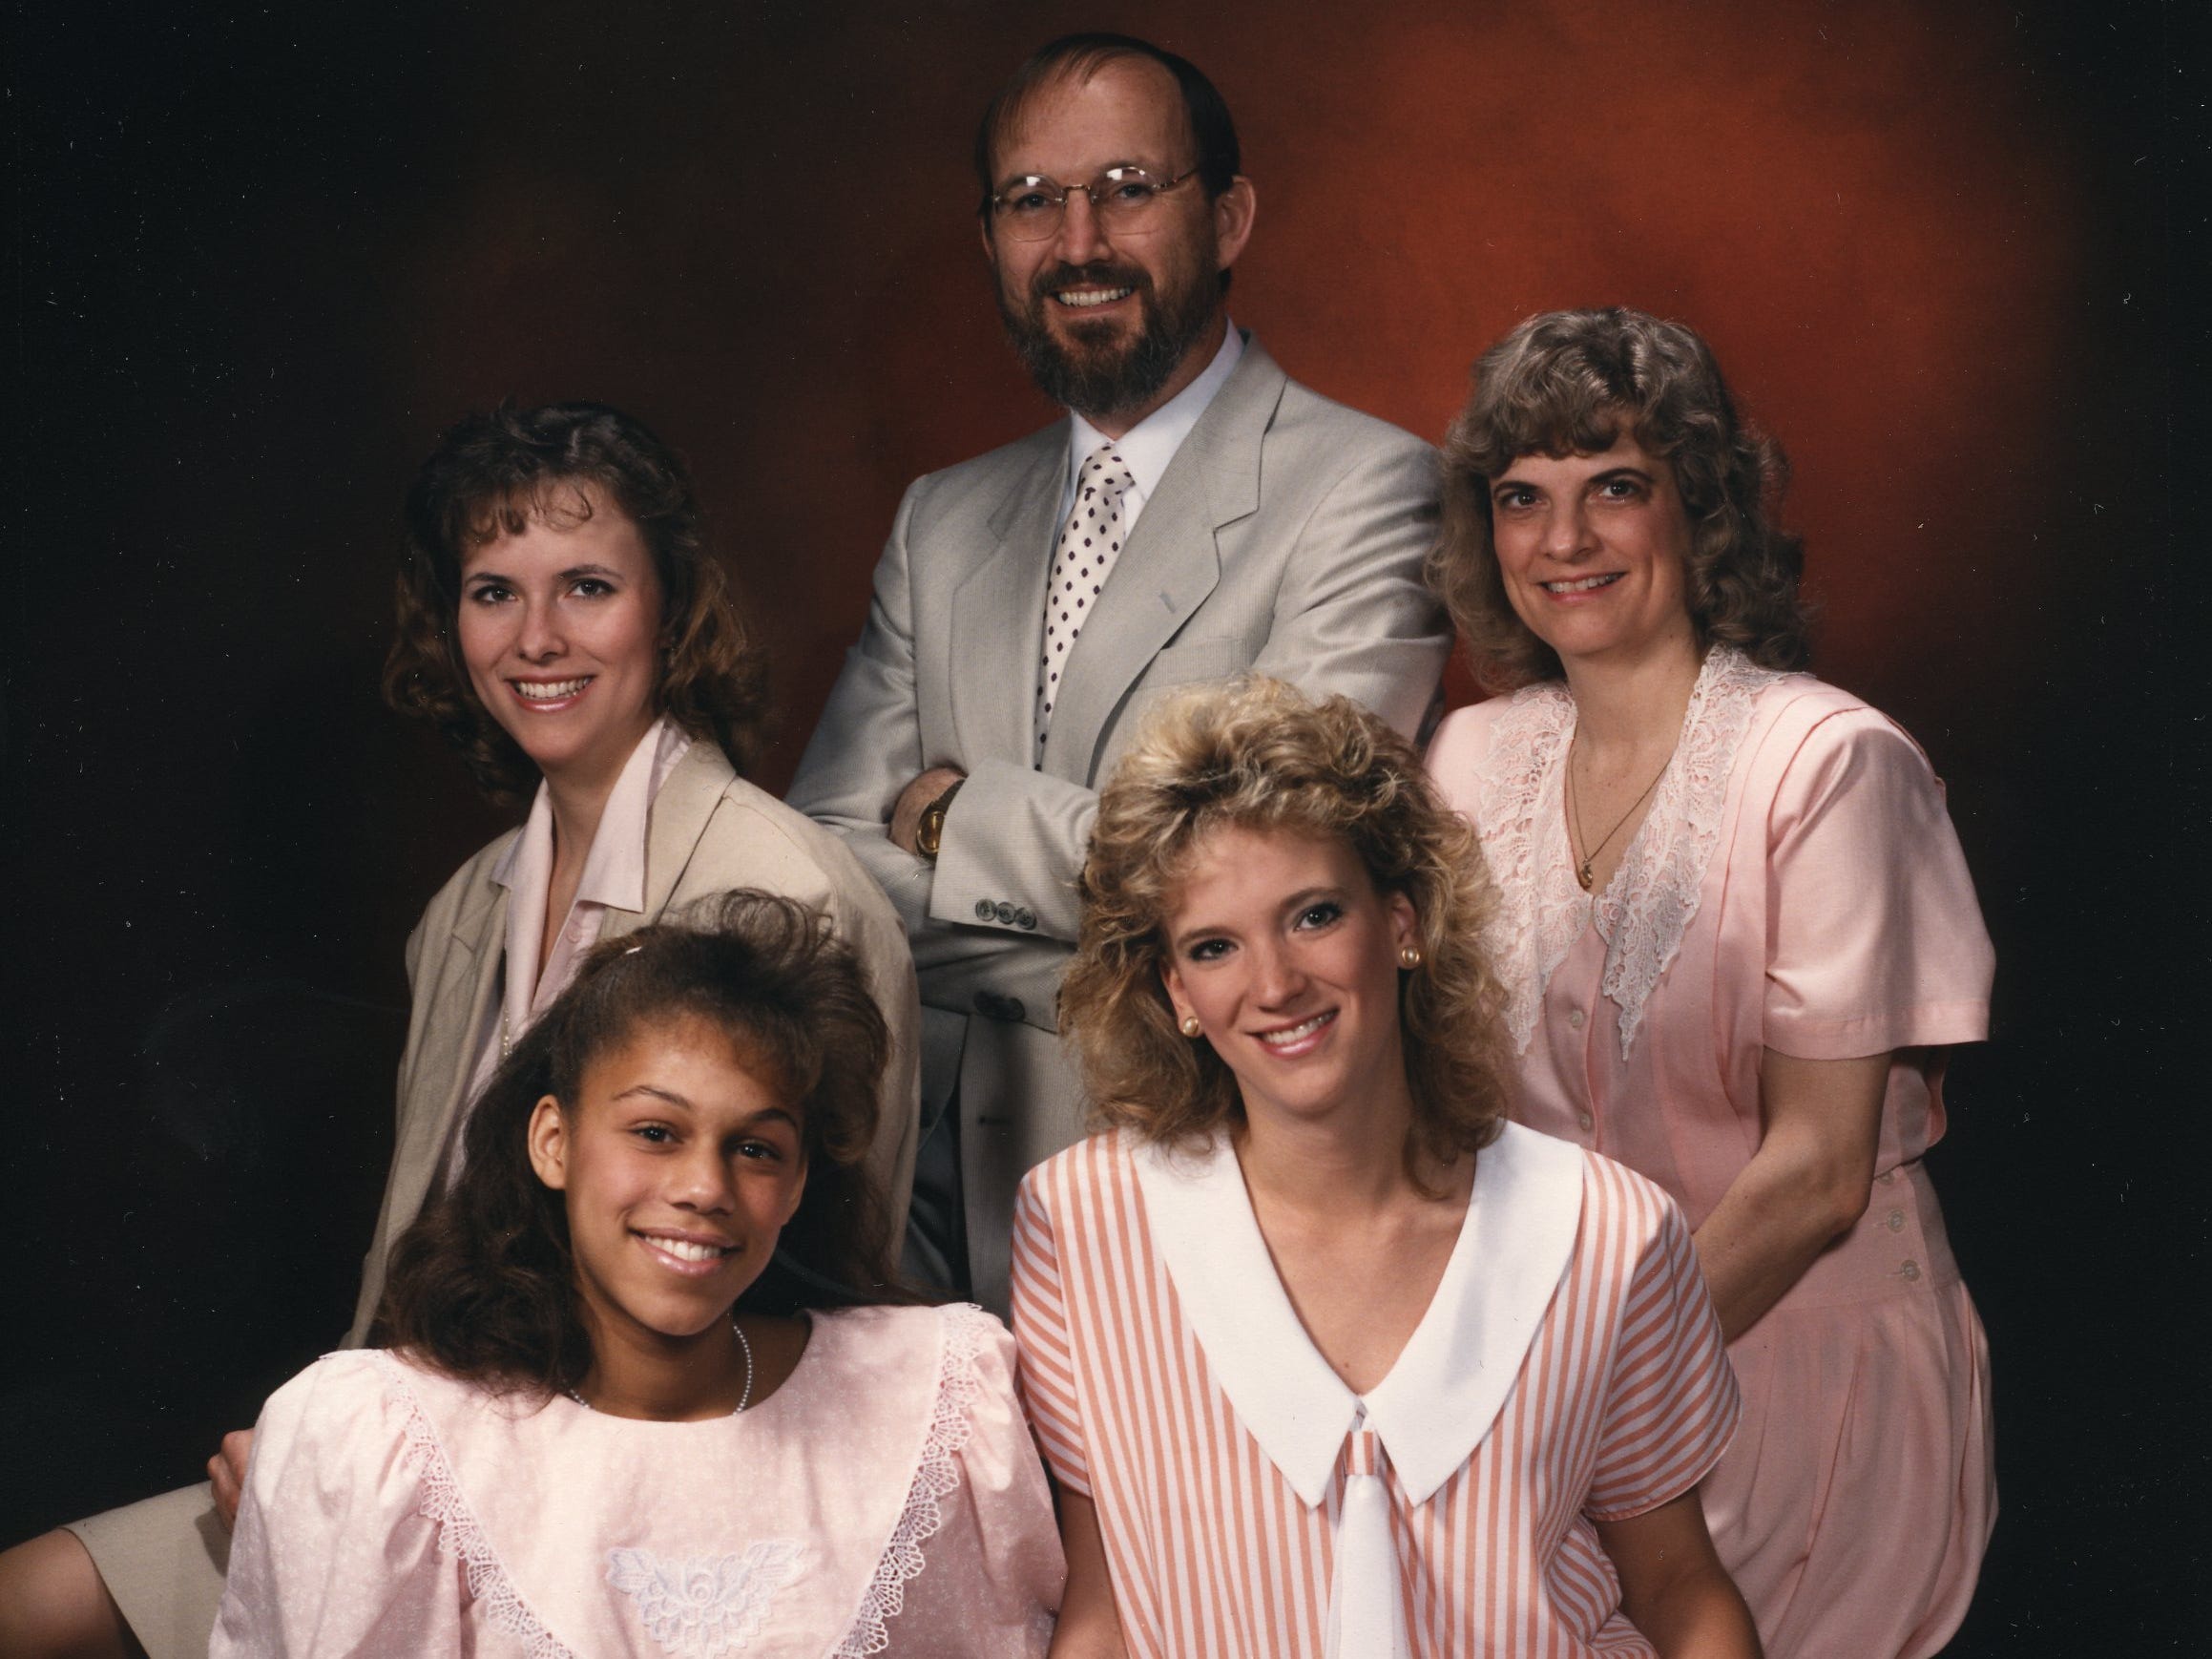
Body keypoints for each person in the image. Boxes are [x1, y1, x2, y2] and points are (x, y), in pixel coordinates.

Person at [0, 403, 922, 1659]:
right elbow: (417, 1260)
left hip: (650, 1514)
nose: (536, 638)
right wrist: (326, 1446)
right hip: (406, 1469)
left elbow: (804, 1322)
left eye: (587, 585)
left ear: (675, 606)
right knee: (28, 1597)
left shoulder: (788, 893)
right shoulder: (462, 908)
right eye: (494, 590)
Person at [787, 32, 1449, 1312]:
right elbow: (823, 869)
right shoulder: (940, 517)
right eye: (1032, 199)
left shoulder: (1367, 488)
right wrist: (1131, 930)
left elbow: (1265, 867)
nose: (1077, 239)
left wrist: (953, 817)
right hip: (913, 1232)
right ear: (988, 238)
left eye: (1128, 186)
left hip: (1205, 1204)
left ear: (1230, 213)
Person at [1423, 308, 1995, 1658]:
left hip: (1798, 1369)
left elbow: (1813, 1176)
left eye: (1612, 487)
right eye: (1522, 499)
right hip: (1555, 1387)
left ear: (1701, 510)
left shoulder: (1826, 765)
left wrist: (1575, 1400)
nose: (1561, 543)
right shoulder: (1462, 760)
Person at [1013, 676, 1759, 1657]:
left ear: (1402, 923)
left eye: (1314, 915)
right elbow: (1103, 1609)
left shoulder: (1606, 1233)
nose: (1274, 984)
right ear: (1174, 990)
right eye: (1212, 946)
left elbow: (1676, 1587)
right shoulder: (1081, 1224)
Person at [212, 892, 1061, 1653]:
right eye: (656, 1131)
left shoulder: (938, 1397)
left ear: (798, 1185)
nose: (704, 1188)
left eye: (756, 1149)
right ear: (553, 1142)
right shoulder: (381, 1440)